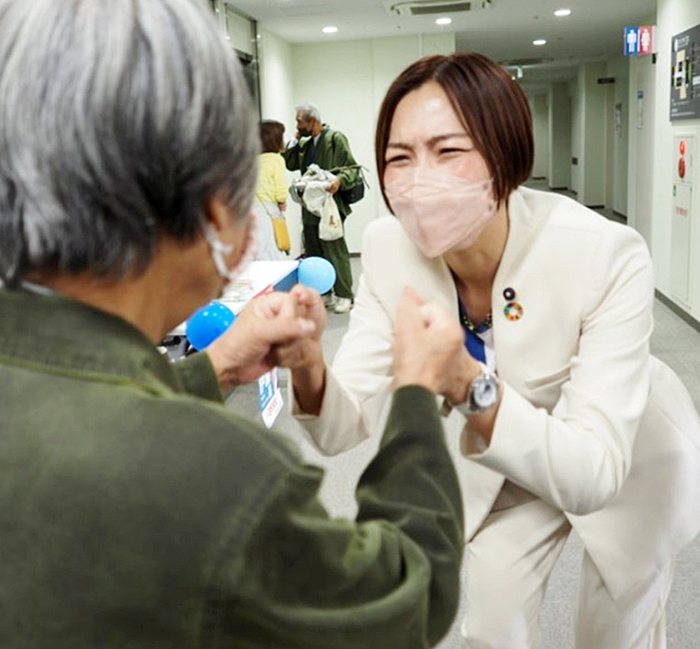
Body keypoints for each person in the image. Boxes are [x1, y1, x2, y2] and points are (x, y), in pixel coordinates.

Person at [0, 2, 466, 646]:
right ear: (211, 205)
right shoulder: (224, 478)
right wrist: (415, 391)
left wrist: (214, 366)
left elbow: (79, 411)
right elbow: (408, 599)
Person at [287, 52, 700, 648]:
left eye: (447, 150)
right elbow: (340, 428)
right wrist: (308, 366)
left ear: (505, 157)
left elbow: (592, 473)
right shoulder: (388, 249)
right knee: (491, 629)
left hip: (625, 456)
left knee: (615, 633)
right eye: (399, 157)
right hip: (506, 459)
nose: (419, 179)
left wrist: (466, 382)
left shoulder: (605, 253)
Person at [283, 103, 358, 313]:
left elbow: (352, 169)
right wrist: (295, 139)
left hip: (330, 204)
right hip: (310, 206)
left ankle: (345, 295)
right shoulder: (305, 144)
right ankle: (324, 292)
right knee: (314, 250)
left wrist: (339, 181)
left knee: (334, 249)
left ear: (313, 121)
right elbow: (289, 163)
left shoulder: (335, 139)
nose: (297, 126)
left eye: (300, 122)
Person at [253, 119, 289, 260]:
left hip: (251, 208)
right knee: (272, 249)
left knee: (257, 248)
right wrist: (282, 201)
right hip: (268, 209)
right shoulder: (276, 159)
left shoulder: (253, 160)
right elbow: (280, 189)